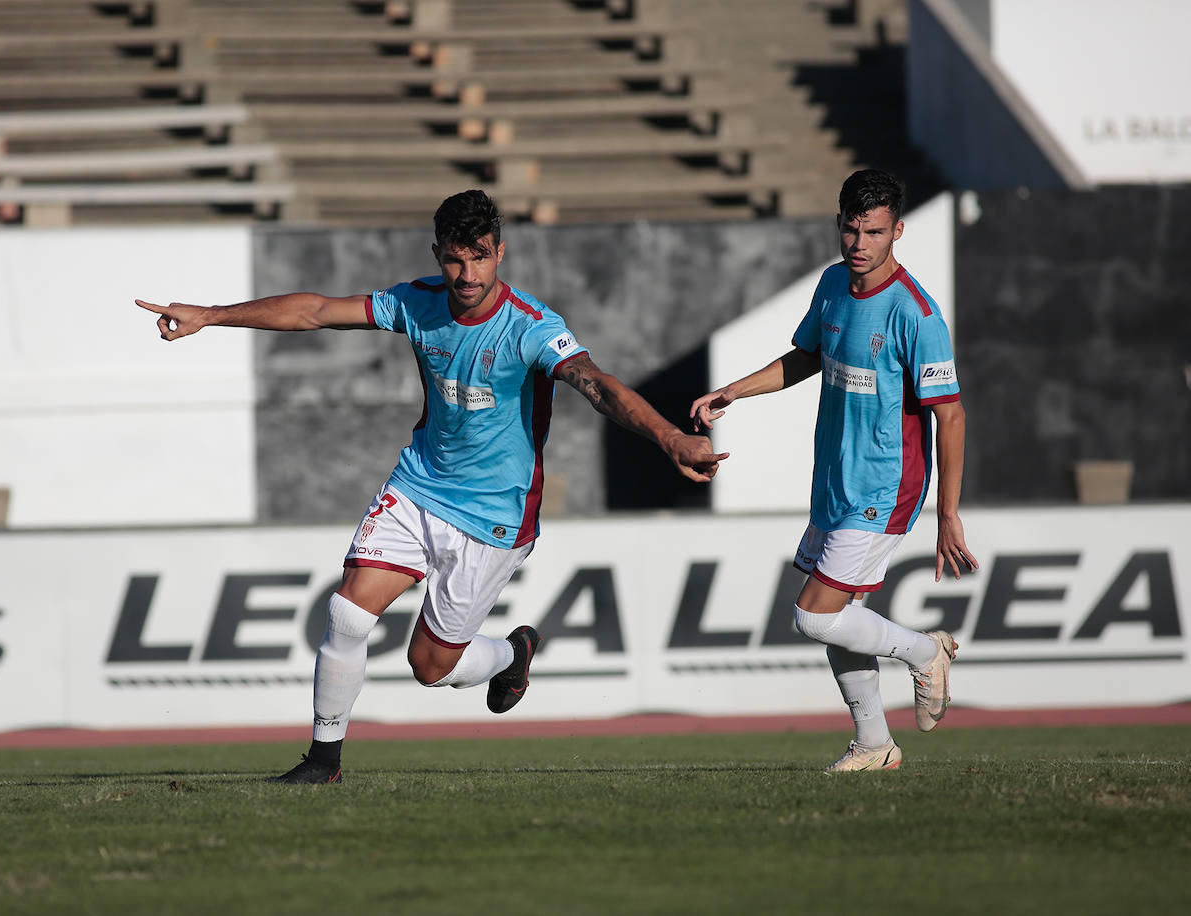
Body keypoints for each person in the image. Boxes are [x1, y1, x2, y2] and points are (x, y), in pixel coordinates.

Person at [138, 189, 728, 784]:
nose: (466, 274)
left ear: (501, 252)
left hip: (495, 515)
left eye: (479, 257)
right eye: (454, 258)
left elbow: (597, 386)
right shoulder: (416, 303)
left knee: (430, 667)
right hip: (421, 485)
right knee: (347, 613)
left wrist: (670, 439)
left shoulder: (531, 328)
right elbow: (314, 311)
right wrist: (210, 316)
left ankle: (512, 653)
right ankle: (323, 763)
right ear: (436, 254)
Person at [691, 169, 978, 773]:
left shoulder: (916, 314)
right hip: (834, 481)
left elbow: (949, 417)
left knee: (813, 613)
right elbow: (805, 358)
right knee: (838, 622)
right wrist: (733, 393)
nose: (859, 244)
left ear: (897, 231)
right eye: (850, 229)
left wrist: (947, 516)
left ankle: (926, 652)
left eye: (874, 232)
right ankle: (874, 744)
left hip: (885, 486)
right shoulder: (832, 284)